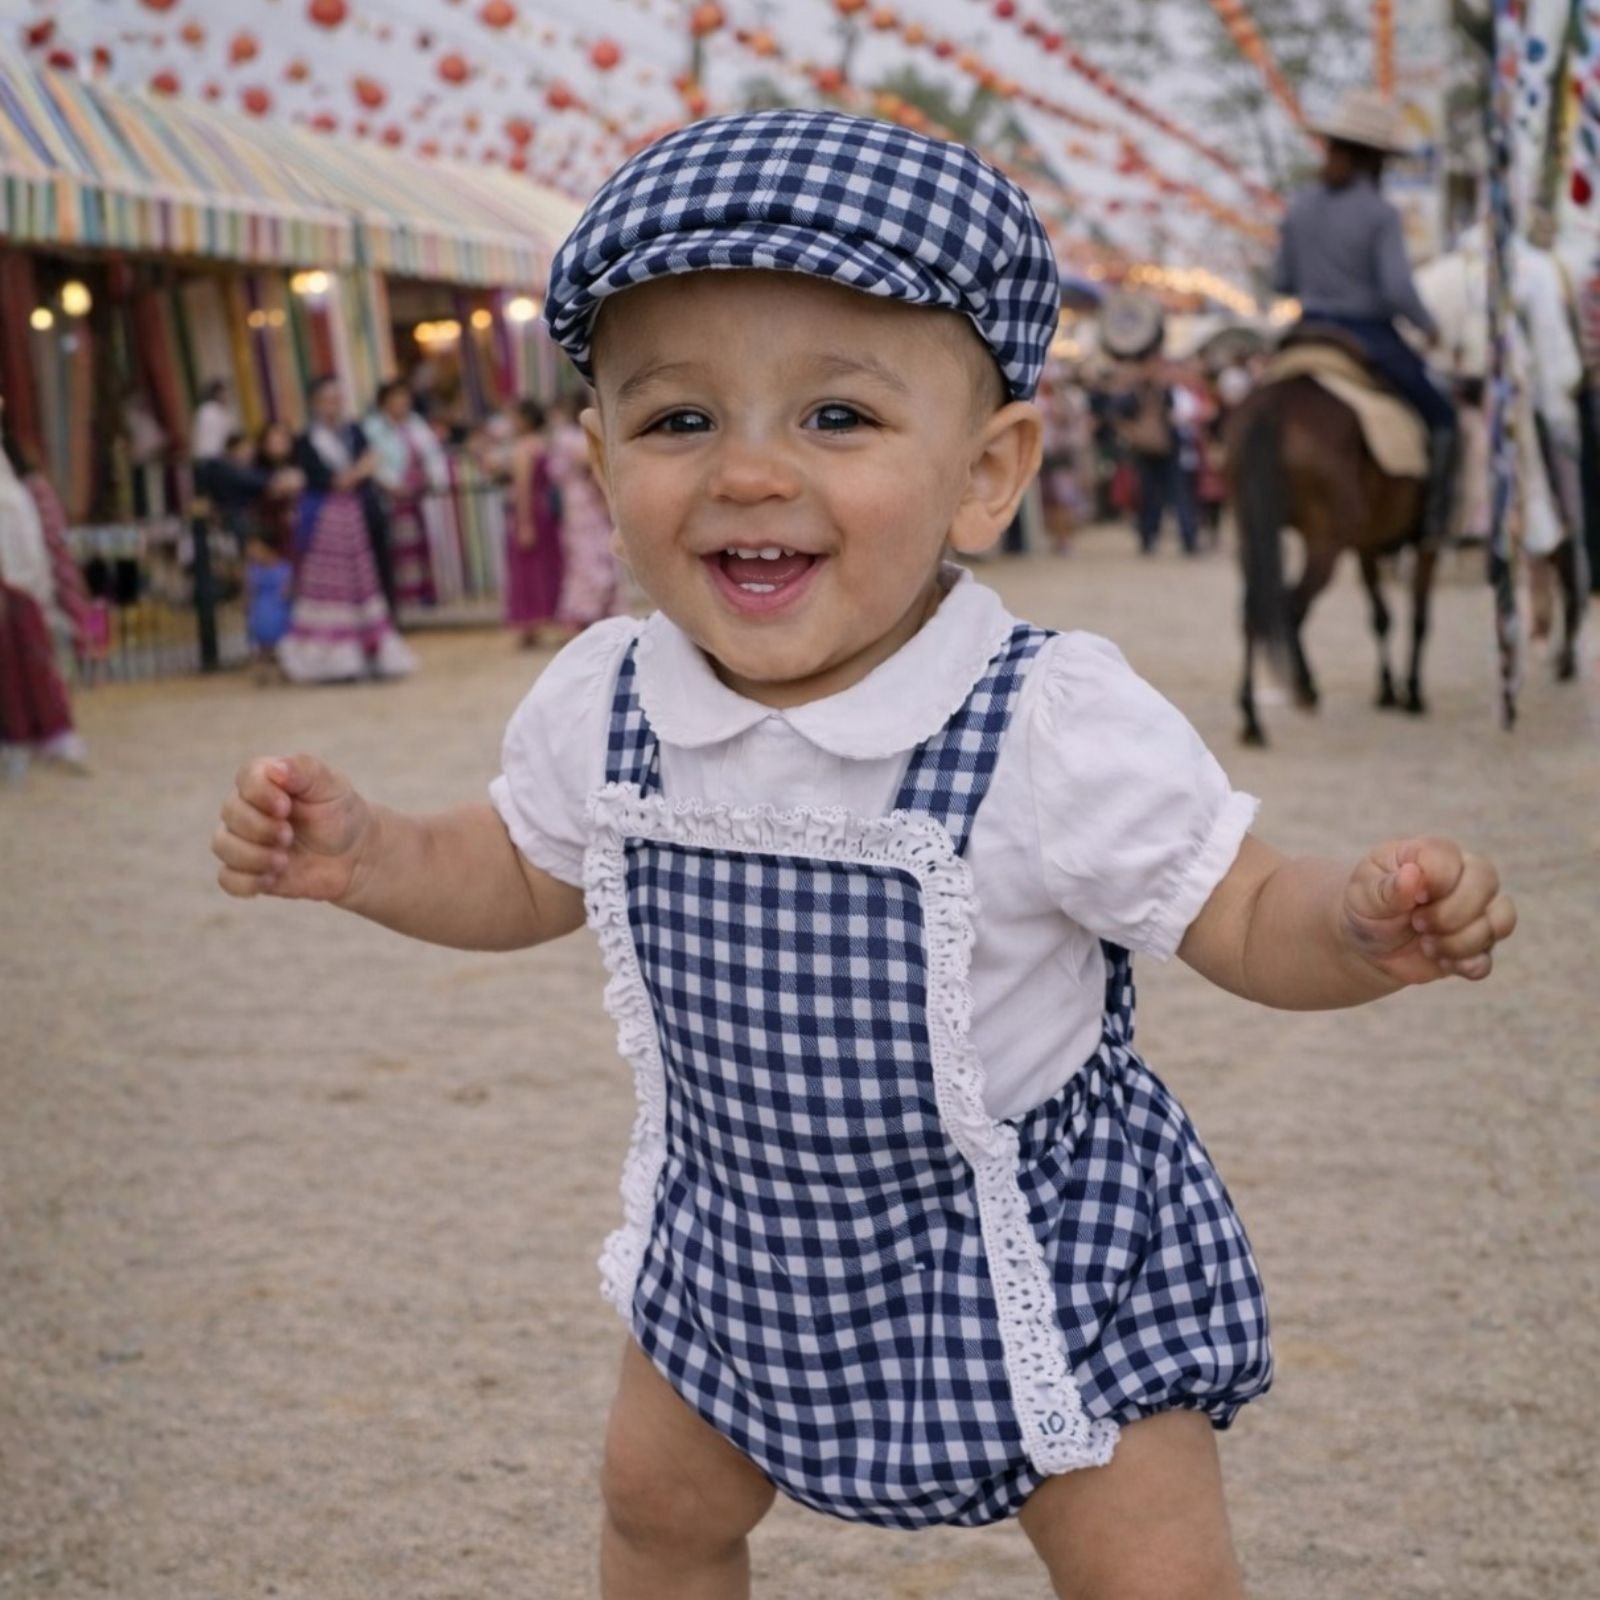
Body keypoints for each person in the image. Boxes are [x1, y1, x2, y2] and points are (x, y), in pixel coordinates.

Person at [212, 111, 1518, 1598]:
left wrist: (1350, 928)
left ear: (986, 472)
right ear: (600, 459)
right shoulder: (609, 698)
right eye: (678, 420)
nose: (748, 473)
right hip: (742, 1240)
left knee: (1151, 1573)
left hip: (1034, 1248)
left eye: (836, 416)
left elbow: (1244, 906)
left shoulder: (1045, 721)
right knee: (653, 1512)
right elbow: (519, 868)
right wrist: (375, 853)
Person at [1273, 89, 1457, 542]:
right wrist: (1428, 326)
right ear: (1375, 159)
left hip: (1304, 330)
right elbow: (1396, 289)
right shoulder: (1380, 213)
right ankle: (1434, 520)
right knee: (1443, 416)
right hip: (1367, 335)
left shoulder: (1299, 208)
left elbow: (1281, 280)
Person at [277, 377, 414, 685]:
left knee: (365, 585)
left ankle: (370, 652)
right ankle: (328, 660)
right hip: (325, 524)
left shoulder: (353, 432)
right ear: (315, 403)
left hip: (357, 521)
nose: (334, 405)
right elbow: (333, 480)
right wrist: (358, 471)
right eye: (328, 399)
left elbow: (370, 464)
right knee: (330, 590)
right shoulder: (307, 441)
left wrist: (358, 472)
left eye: (338, 398)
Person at [1, 403, 88, 779]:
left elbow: (26, 534)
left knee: (30, 667)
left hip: (20, 585)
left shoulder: (19, 485)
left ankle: (39, 737)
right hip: (17, 583)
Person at [363, 378, 452, 612]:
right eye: (396, 398)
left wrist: (434, 478)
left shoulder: (415, 423)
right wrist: (393, 485)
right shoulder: (373, 428)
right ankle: (404, 597)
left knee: (425, 544)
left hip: (419, 494)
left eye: (405, 397)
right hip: (392, 496)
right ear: (385, 402)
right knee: (399, 546)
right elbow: (373, 462)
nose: (402, 402)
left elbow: (432, 453)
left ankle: (426, 593)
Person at [1109, 355, 1199, 554]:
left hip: (1168, 449)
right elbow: (1118, 416)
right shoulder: (1136, 393)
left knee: (1175, 495)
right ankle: (1150, 535)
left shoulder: (1167, 392)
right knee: (1150, 495)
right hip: (1147, 451)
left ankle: (1185, 537)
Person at [546, 391, 621, 628]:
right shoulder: (569, 437)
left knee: (597, 555)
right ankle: (585, 612)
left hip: (589, 502)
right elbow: (587, 459)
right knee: (587, 558)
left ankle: (597, 610)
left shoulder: (568, 436)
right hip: (581, 504)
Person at [501, 398, 565, 648]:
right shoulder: (544, 444)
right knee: (545, 567)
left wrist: (524, 523)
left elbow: (523, 488)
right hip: (545, 511)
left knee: (526, 568)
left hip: (529, 512)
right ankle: (543, 618)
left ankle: (529, 623)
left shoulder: (523, 448)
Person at [189, 378, 235, 469]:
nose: (226, 396)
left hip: (213, 457)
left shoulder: (214, 410)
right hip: (211, 458)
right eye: (223, 392)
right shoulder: (209, 410)